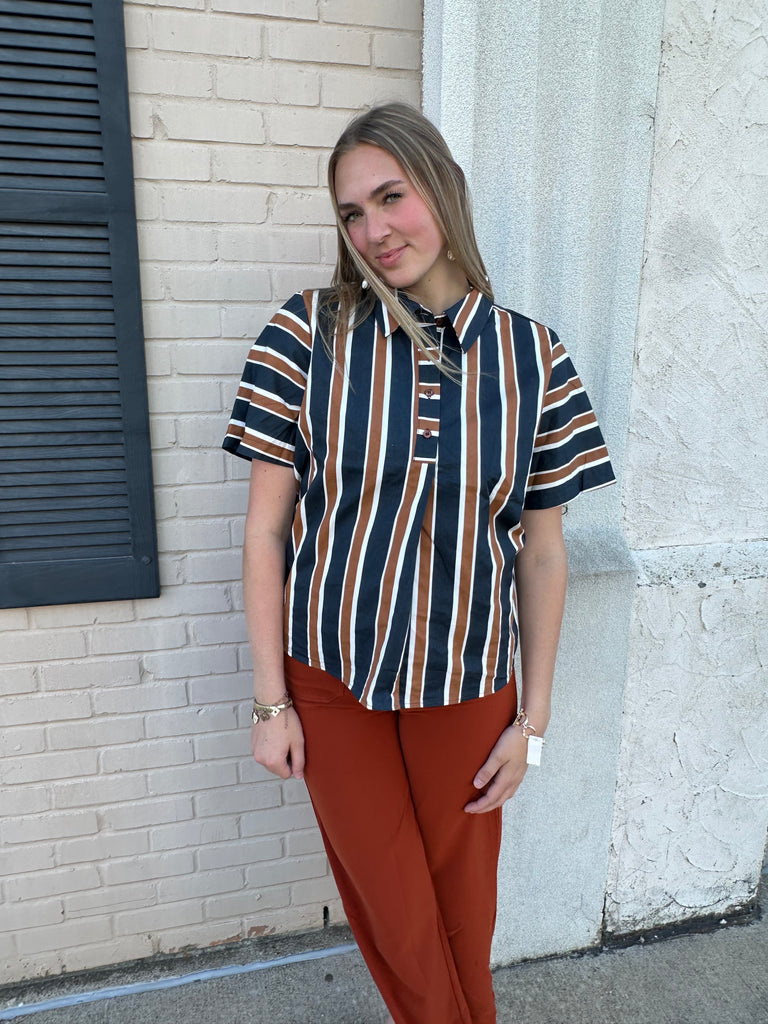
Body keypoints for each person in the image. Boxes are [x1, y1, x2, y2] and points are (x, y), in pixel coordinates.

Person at [223, 102, 615, 1024]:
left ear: (441, 188)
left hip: (469, 682)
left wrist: (534, 722)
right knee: (397, 918)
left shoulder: (535, 359)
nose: (374, 230)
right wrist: (271, 703)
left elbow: (544, 555)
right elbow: (265, 533)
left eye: (391, 196)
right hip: (332, 680)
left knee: (462, 918)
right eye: (352, 213)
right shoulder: (306, 334)